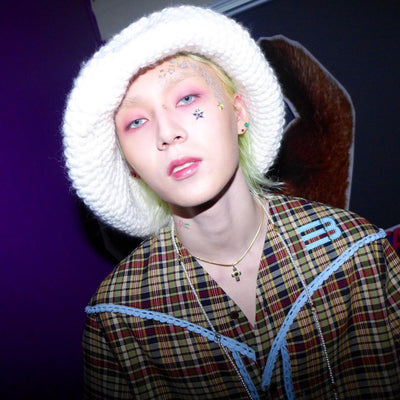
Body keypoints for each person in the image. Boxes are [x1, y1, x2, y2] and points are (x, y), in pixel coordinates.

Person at [62, 6, 400, 400]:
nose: (167, 132)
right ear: (129, 165)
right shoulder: (118, 319)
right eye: (136, 121)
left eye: (187, 98)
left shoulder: (355, 251)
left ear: (239, 113)